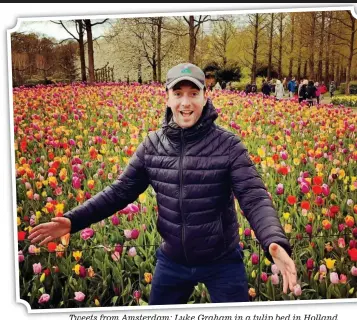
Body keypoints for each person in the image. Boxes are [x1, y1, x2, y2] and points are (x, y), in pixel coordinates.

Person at [28, 63, 297, 305]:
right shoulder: (152, 146)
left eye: (193, 93)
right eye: (178, 93)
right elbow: (119, 191)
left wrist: (273, 241)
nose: (185, 102)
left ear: (206, 97)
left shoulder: (228, 146)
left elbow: (253, 197)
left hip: (222, 261)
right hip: (172, 261)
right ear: (166, 98)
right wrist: (73, 220)